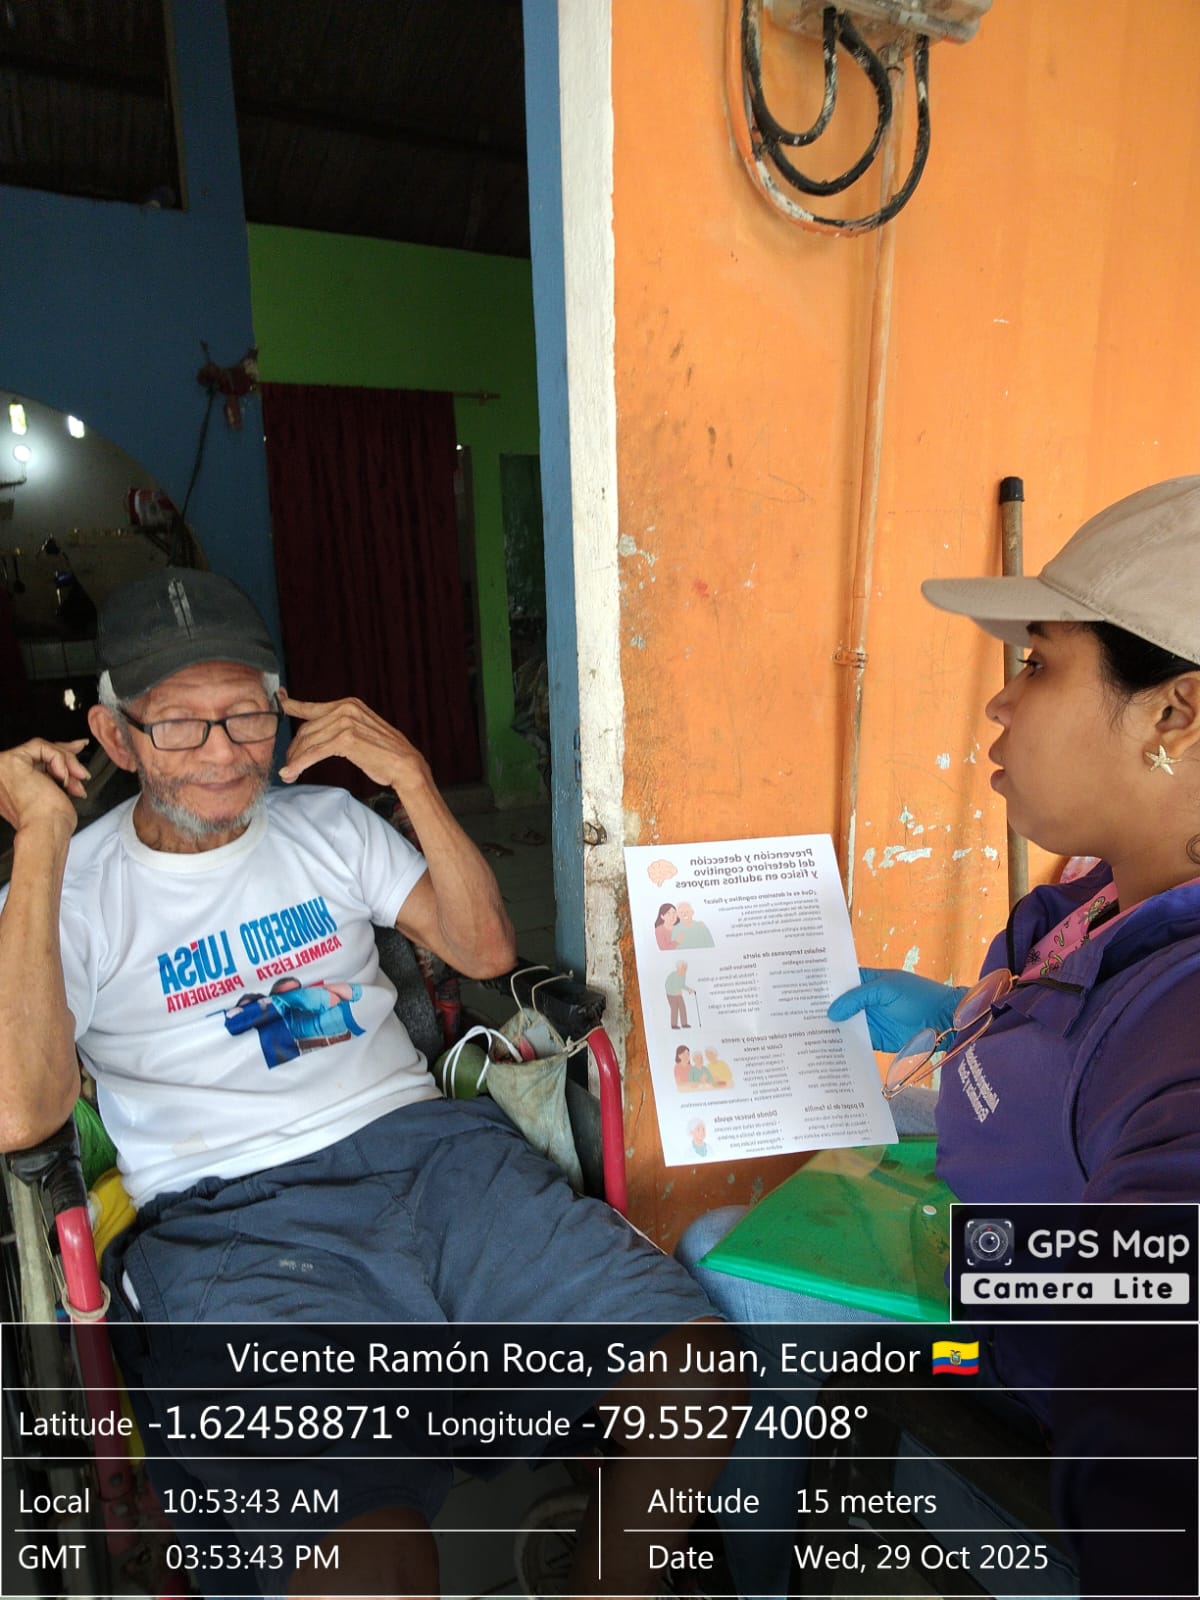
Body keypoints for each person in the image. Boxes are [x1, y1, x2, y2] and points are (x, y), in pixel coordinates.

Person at [0, 568, 737, 1600]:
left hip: (431, 1158)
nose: (222, 751)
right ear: (115, 737)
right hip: (230, 1222)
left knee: (693, 1375)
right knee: (371, 1568)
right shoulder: (68, 891)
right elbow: (22, 1113)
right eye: (178, 724)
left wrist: (413, 777)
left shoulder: (328, 824)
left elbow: (485, 951)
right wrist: (38, 845)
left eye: (246, 714)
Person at [678, 476, 1200, 1600]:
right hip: (1002, 1214)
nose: (1001, 701)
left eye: (1039, 662)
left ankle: (750, 1576)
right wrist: (958, 1013)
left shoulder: (1183, 1024)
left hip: (997, 1352)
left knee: (727, 1258)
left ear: (1174, 713)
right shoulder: (1115, 885)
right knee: (845, 1135)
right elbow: (1062, 1021)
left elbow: (1159, 1376)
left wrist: (964, 1255)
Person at [665, 958, 696, 1027]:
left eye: (686, 968)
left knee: (683, 1008)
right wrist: (675, 991)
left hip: (678, 995)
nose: (685, 970)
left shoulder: (683, 976)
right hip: (671, 995)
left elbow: (682, 985)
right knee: (674, 1009)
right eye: (684, 968)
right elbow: (667, 986)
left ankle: (684, 1024)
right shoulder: (672, 975)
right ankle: (674, 1025)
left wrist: (689, 989)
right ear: (678, 968)